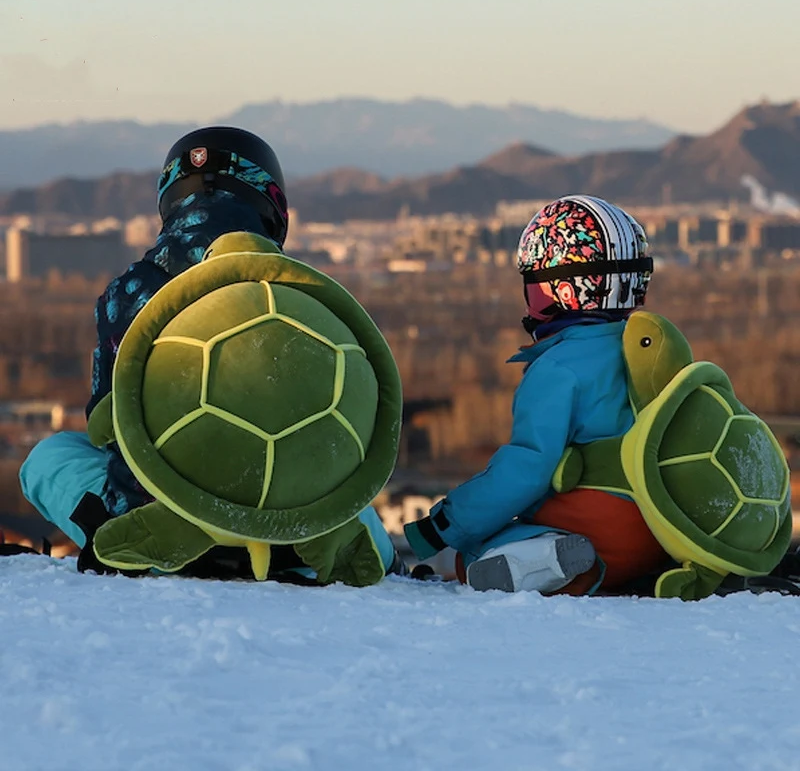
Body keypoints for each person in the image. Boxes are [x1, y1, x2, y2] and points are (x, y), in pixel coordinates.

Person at [18, 126, 403, 582]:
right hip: (291, 533)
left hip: (160, 524)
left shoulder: (127, 292)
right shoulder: (303, 291)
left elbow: (106, 425)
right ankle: (360, 559)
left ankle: (119, 538)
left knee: (50, 455)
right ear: (272, 204)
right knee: (358, 507)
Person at [403, 195, 670, 596]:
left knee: (473, 555)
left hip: (602, 527)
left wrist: (446, 524)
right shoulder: (651, 352)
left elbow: (526, 468)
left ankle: (551, 559)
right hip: (663, 530)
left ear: (559, 288)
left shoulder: (558, 367)